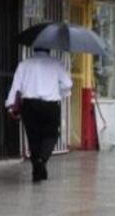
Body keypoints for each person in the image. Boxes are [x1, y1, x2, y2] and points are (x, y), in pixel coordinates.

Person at [6, 48, 72, 182]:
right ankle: (41, 161)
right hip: (50, 105)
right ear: (48, 50)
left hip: (30, 106)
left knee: (34, 138)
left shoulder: (24, 64)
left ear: (34, 49)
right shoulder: (56, 63)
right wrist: (58, 91)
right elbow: (68, 84)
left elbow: (16, 87)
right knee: (51, 135)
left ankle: (37, 168)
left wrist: (10, 105)